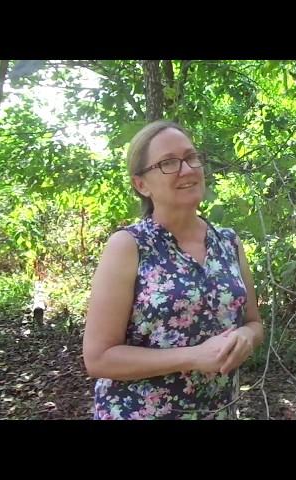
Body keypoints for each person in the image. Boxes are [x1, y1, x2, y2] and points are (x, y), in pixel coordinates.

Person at [83, 120, 264, 420]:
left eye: (191, 157)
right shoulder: (129, 246)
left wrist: (246, 336)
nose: (187, 169)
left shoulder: (228, 242)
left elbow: (254, 323)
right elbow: (98, 358)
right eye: (168, 163)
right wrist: (193, 357)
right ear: (141, 184)